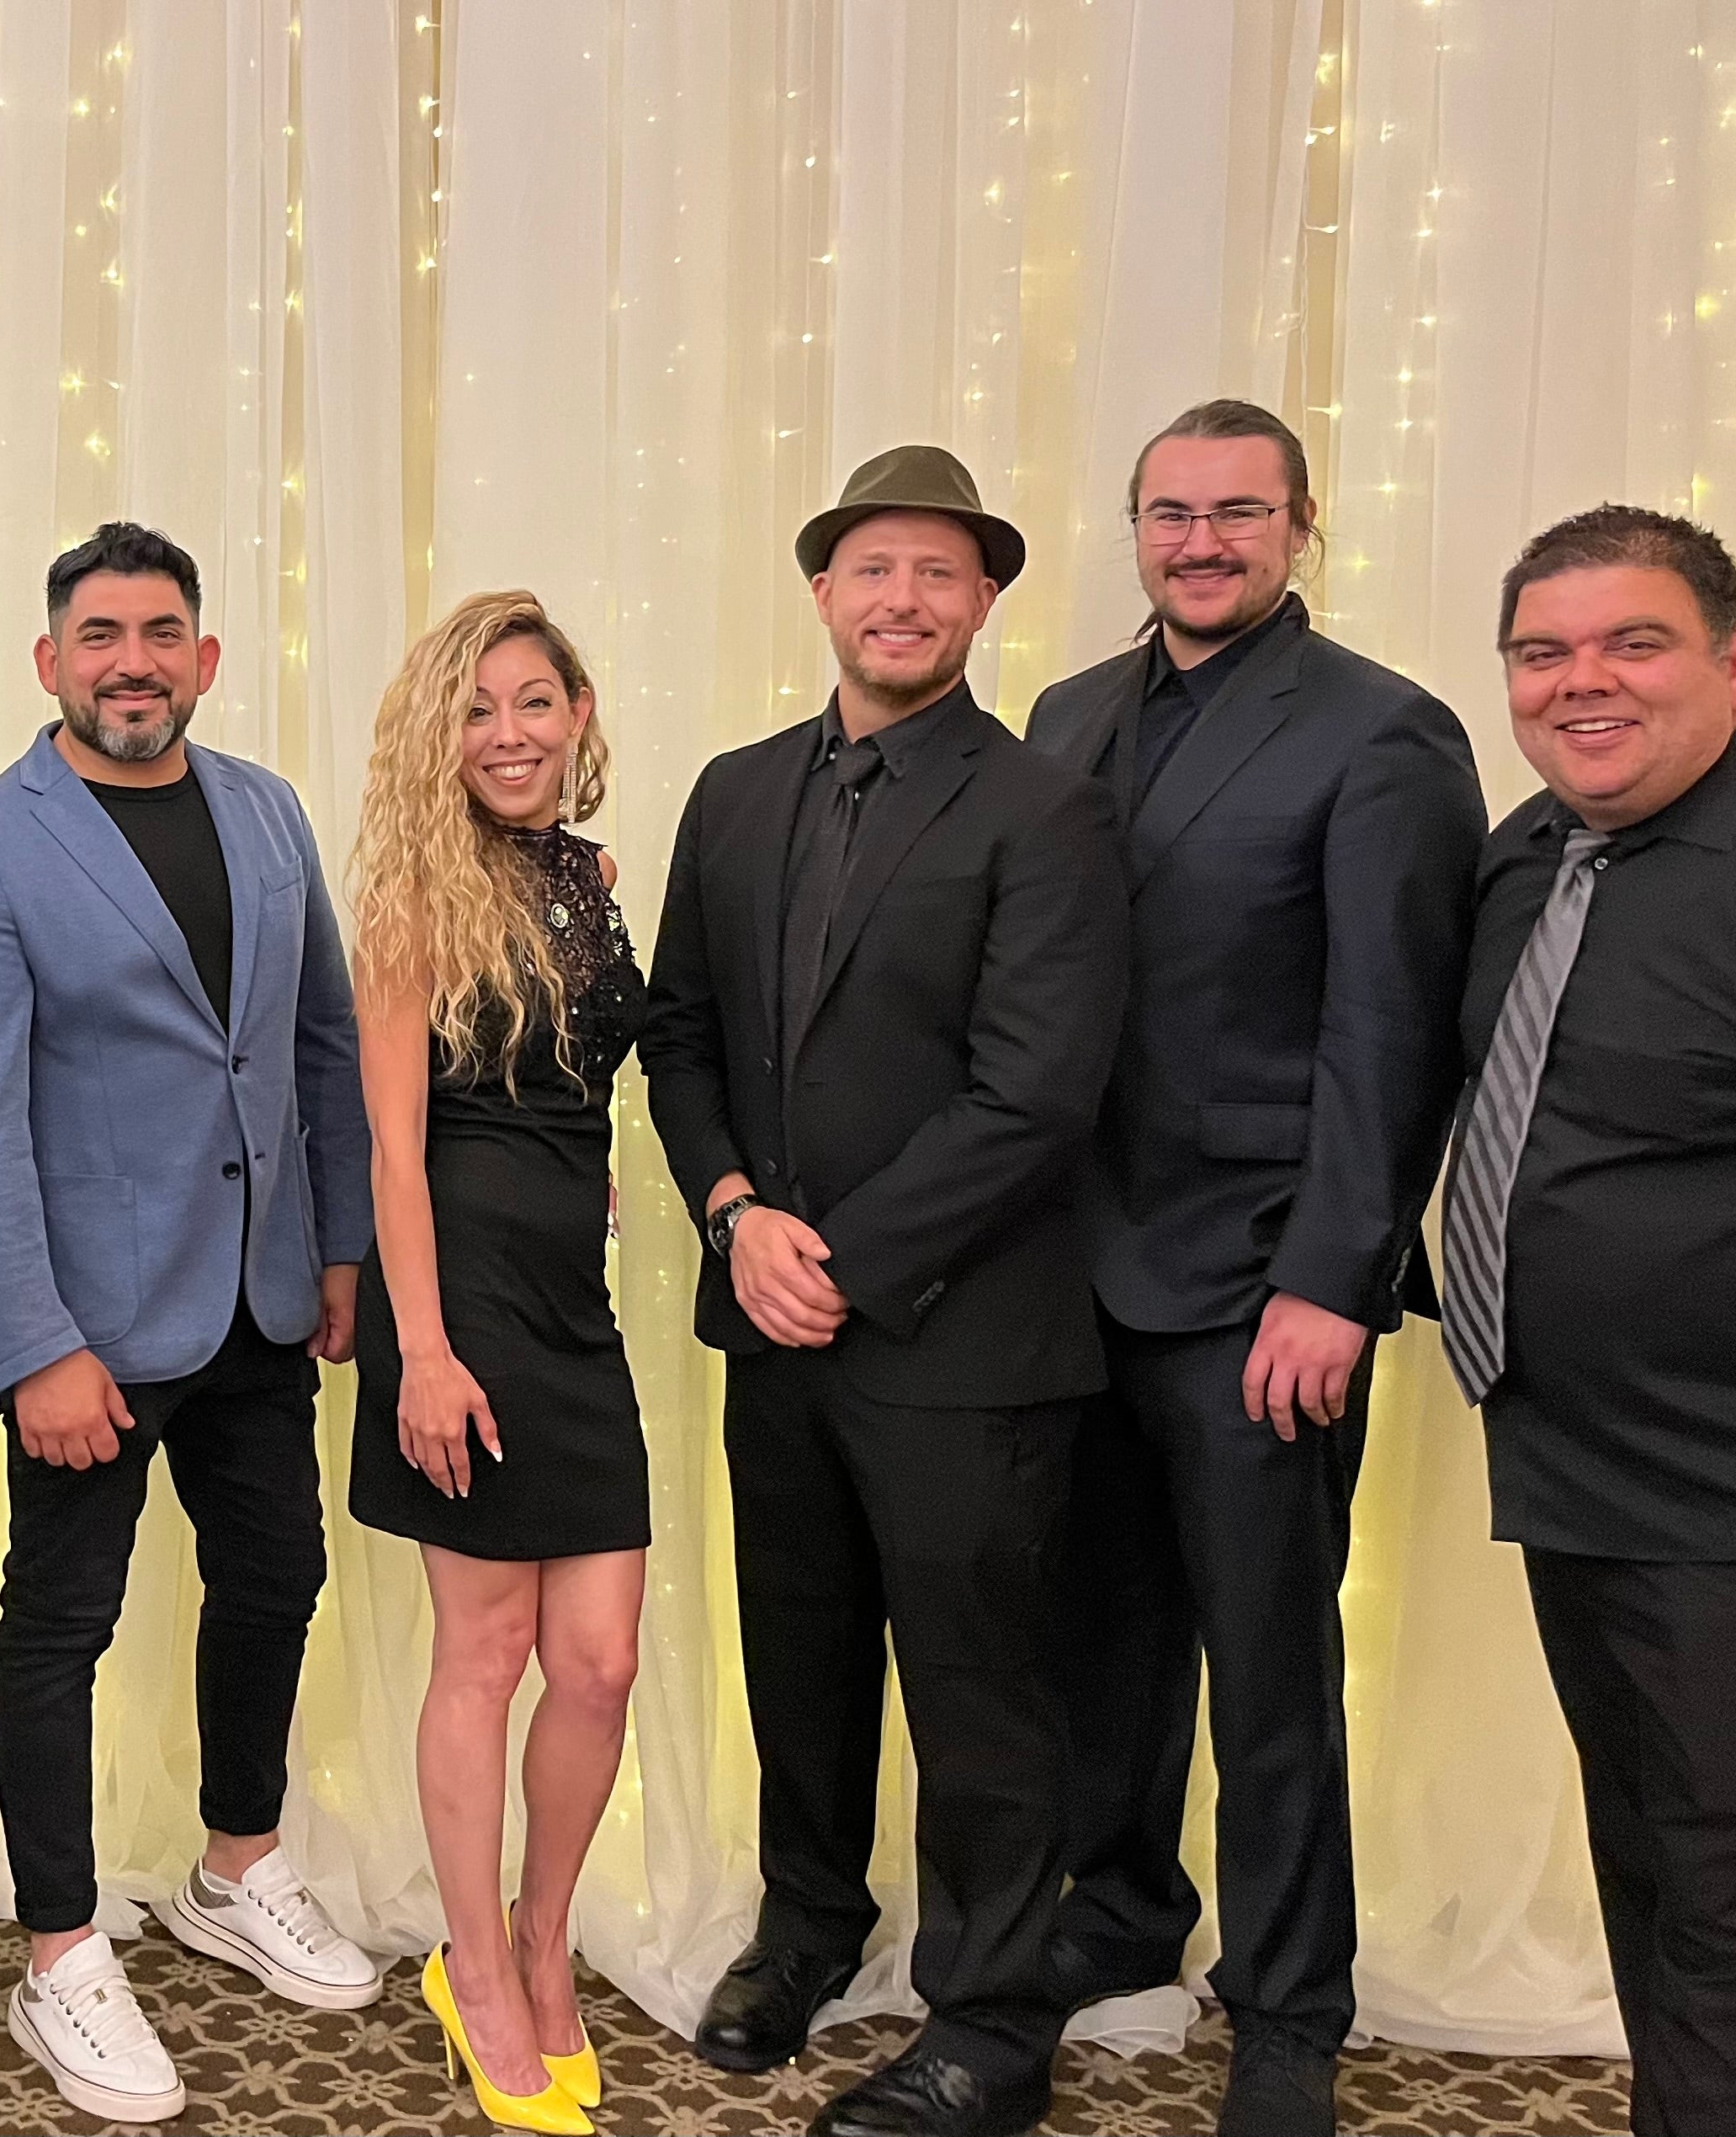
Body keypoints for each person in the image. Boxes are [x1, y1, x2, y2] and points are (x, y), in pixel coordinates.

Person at [646, 447, 1128, 2137]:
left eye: (939, 572)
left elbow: (1038, 1090)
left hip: (966, 1339)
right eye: (874, 569)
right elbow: (683, 1030)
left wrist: (834, 1258)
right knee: (802, 1650)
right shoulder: (735, 787)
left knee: (983, 1691)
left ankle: (995, 2015)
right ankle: (809, 1925)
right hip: (768, 1321)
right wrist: (731, 1215)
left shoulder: (1045, 805)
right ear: (826, 591)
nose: (904, 598)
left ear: (984, 598)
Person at [1021, 401, 1484, 2136]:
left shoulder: (1383, 732)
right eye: (1167, 512)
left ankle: (1292, 2004)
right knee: (1106, 1648)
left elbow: (1392, 1033)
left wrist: (1333, 1278)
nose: (1198, 541)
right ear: (1133, 529)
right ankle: (1126, 1905)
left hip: (1257, 1291)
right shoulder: (1068, 715)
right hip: (1075, 1280)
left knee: (1272, 1672)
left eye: (1236, 511)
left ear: (1301, 526)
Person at [0, 520, 380, 2126]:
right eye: (99, 636)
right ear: (50, 662)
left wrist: (337, 1250)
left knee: (279, 1576)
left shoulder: (264, 809)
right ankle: (58, 1953)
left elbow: (317, 1042)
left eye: (161, 633)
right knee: (60, 1628)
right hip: (89, 1331)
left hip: (254, 1297)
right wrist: (33, 1343)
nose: (132, 663)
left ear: (205, 656)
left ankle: (235, 1867)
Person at [1443, 505, 1736, 2137]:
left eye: (1634, 643)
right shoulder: (1527, 859)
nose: (1586, 684)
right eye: (1544, 653)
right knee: (1664, 1899)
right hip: (1586, 1493)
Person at [345, 591, 645, 2136]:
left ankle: (544, 1938)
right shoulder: (411, 892)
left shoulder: (591, 877)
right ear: (439, 737)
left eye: (535, 702)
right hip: (456, 1308)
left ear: (577, 716)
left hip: (574, 1309)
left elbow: (581, 1085)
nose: (510, 734)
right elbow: (394, 1152)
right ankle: (474, 1962)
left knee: (599, 1660)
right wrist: (422, 1351)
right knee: (487, 1654)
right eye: (478, 710)